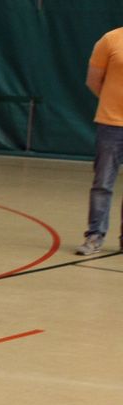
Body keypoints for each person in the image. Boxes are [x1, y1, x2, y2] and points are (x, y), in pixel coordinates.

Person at [77, 25, 123, 256]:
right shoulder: (110, 40)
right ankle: (95, 236)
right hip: (111, 124)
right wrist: (112, 105)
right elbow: (93, 81)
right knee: (103, 183)